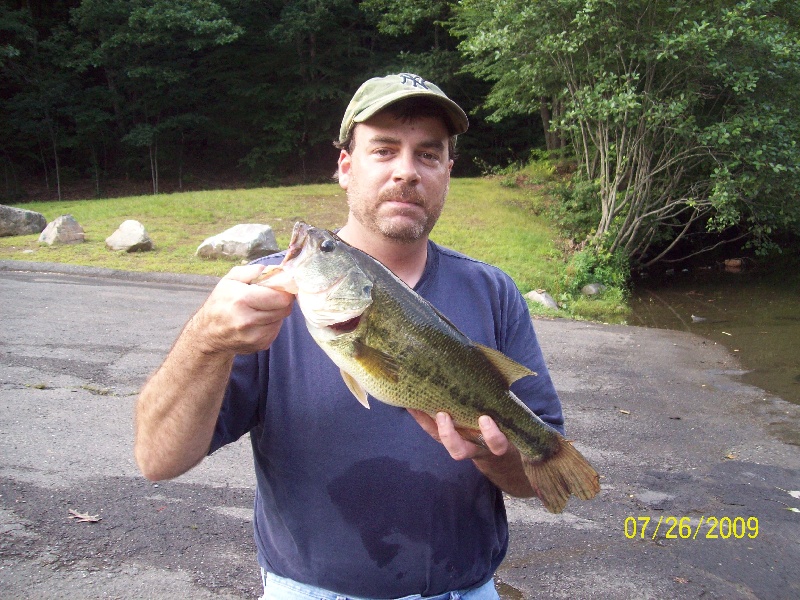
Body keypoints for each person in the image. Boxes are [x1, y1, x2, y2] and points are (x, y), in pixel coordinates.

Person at [135, 73, 566, 600]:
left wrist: (485, 450)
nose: (406, 171)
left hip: (465, 590)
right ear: (346, 167)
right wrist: (204, 339)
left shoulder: (493, 291)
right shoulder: (258, 298)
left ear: (448, 172)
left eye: (428, 155)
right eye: (384, 150)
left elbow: (535, 477)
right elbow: (157, 460)